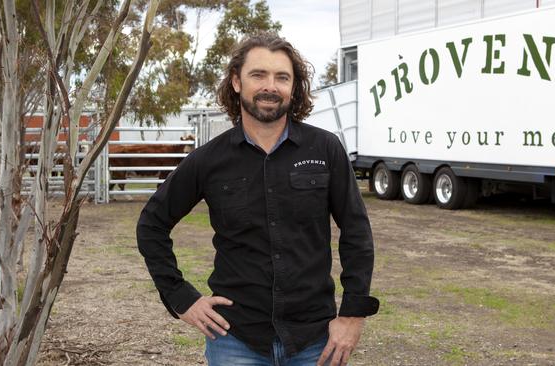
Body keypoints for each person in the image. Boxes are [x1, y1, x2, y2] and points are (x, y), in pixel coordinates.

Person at [137, 32, 379, 366]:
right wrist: (181, 298)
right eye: (258, 75)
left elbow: (356, 232)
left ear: (294, 87)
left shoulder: (325, 149)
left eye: (282, 77)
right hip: (236, 339)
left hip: (314, 338)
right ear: (236, 82)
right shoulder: (209, 160)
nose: (271, 86)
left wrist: (353, 314)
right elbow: (151, 224)